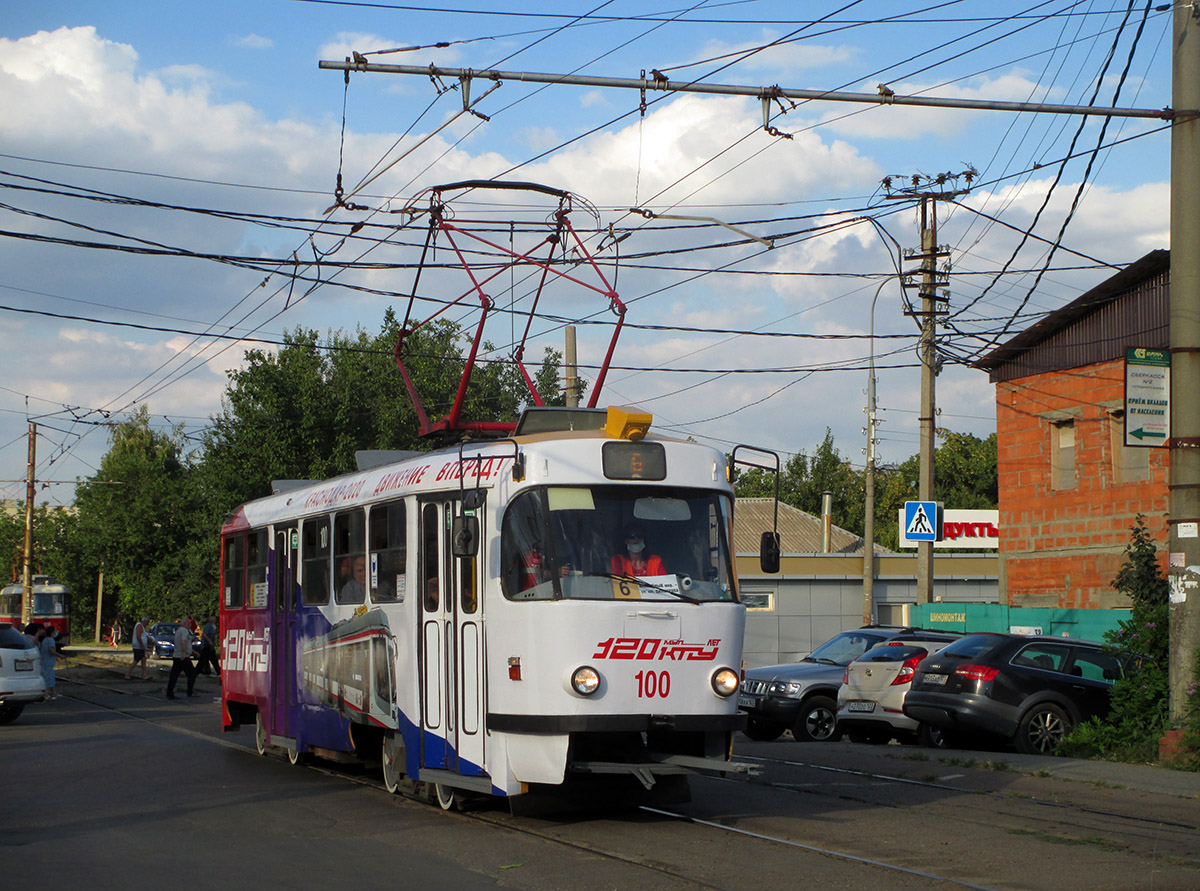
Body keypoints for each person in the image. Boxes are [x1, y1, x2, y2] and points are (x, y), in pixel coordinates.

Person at [166, 618, 197, 699]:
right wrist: (184, 653)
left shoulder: (178, 631)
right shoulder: (184, 631)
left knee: (174, 675)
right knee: (192, 674)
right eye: (189, 624)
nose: (190, 626)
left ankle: (169, 692)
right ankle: (190, 692)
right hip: (183, 657)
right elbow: (183, 642)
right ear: (185, 624)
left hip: (177, 656)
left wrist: (194, 652)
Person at [40, 626, 65, 700]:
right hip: (48, 661)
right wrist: (61, 656)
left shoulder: (45, 639)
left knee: (47, 677)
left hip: (44, 661)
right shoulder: (51, 640)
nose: (57, 632)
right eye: (55, 630)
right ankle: (47, 694)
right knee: (49, 677)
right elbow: (52, 651)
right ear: (52, 632)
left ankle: (53, 693)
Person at [125, 616, 152, 680]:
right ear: (144, 621)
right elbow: (138, 636)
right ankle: (127, 674)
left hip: (141, 647)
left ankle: (144, 675)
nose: (147, 624)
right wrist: (142, 645)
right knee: (136, 660)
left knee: (143, 660)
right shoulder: (139, 626)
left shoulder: (142, 627)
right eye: (147, 623)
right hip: (138, 647)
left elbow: (143, 635)